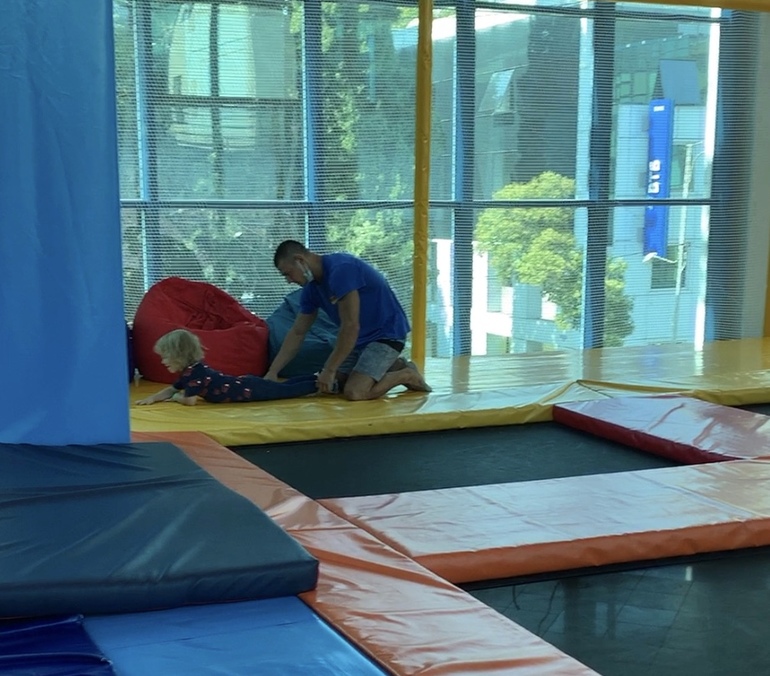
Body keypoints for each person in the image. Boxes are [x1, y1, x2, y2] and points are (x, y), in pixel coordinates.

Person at [265, 240, 431, 401]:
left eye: (288, 273)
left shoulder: (341, 269)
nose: (289, 281)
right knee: (332, 386)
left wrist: (329, 369)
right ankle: (395, 365)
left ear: (300, 260)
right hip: (359, 340)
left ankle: (406, 375)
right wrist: (273, 372)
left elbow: (351, 325)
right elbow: (298, 332)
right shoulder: (312, 289)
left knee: (355, 392)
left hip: (386, 334)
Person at [136, 328, 318, 406]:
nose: (163, 362)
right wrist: (152, 399)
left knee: (286, 391)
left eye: (166, 357)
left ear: (179, 355)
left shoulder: (194, 374)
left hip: (250, 390)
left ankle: (317, 383)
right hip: (246, 384)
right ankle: (315, 377)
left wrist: (176, 398)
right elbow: (171, 389)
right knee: (283, 387)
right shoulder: (190, 371)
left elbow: (189, 401)